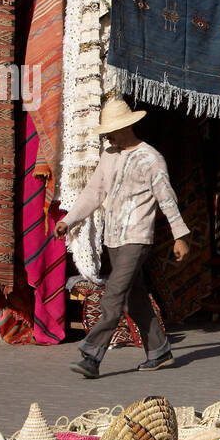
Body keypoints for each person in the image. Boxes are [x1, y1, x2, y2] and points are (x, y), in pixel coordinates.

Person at [56, 99, 190, 379]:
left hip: (137, 237)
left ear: (129, 126)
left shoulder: (151, 159)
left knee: (114, 295)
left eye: (113, 130)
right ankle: (160, 351)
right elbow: (94, 192)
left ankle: (92, 355)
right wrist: (69, 220)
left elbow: (166, 199)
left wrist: (180, 236)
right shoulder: (109, 154)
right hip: (113, 239)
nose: (108, 136)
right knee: (133, 298)